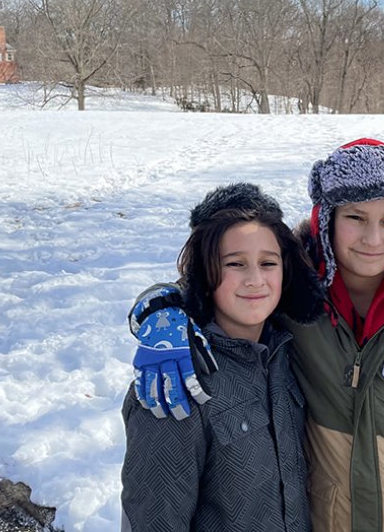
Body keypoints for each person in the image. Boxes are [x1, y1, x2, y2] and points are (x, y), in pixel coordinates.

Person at [129, 139, 384, 531]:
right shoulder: (299, 305)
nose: (373, 239)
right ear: (327, 221)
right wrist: (163, 311)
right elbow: (224, 274)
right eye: (355, 218)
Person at [121, 182, 324, 532]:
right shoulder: (179, 379)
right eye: (235, 263)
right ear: (206, 272)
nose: (255, 280)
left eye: (268, 263)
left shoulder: (286, 352)